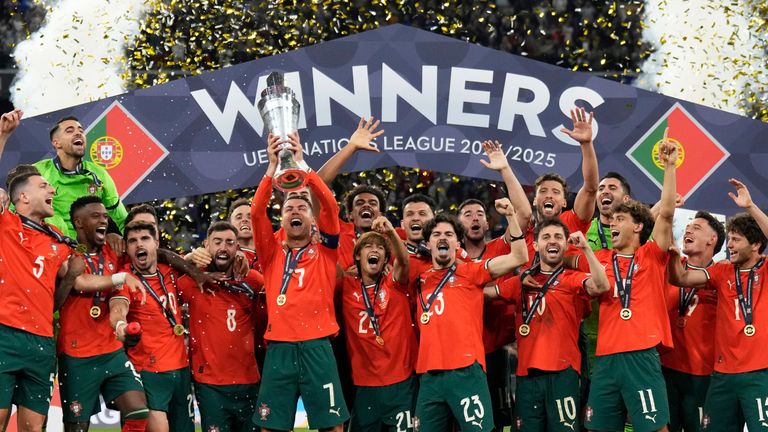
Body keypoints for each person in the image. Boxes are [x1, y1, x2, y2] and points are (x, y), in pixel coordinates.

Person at [0, 167, 143, 431]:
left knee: (32, 428)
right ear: (23, 197)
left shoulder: (56, 237)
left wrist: (119, 279)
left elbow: (80, 281)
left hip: (42, 342)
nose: (52, 189)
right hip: (5, 334)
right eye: (44, 186)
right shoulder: (5, 223)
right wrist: (3, 136)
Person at [579, 129, 678, 432]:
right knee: (599, 428)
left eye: (620, 220)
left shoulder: (652, 255)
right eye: (611, 221)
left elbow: (666, 214)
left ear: (637, 226)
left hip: (641, 355)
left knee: (653, 428)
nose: (613, 225)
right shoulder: (601, 259)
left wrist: (670, 167)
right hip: (605, 358)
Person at [251, 133, 349, 432]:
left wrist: (303, 165)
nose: (295, 209)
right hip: (279, 347)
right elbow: (256, 213)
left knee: (332, 426)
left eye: (302, 206)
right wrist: (270, 170)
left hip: (318, 346)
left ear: (312, 219)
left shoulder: (326, 251)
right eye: (289, 208)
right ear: (281, 220)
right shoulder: (270, 254)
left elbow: (330, 206)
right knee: (271, 427)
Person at [413, 200, 528, 432]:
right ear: (428, 243)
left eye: (448, 234)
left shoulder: (472, 271)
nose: (442, 238)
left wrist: (511, 217)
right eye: (436, 234)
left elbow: (519, 257)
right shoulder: (419, 278)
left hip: (466, 371)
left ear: (457, 242)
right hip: (429, 375)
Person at [667, 179, 768, 430]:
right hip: (722, 375)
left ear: (756, 245)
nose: (730, 246)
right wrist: (670, 256)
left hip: (759, 372)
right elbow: (681, 278)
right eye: (729, 239)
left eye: (736, 240)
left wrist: (751, 207)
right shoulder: (722, 271)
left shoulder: (766, 270)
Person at [492, 221, 609, 431]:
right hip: (526, 376)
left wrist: (585, 248)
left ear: (565, 246)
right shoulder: (520, 282)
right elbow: (483, 295)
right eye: (546, 237)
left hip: (563, 374)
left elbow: (602, 285)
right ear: (535, 245)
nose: (552, 241)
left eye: (558, 237)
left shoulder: (572, 279)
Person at [57, 196, 149, 432]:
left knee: (138, 411)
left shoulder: (113, 250)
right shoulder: (65, 251)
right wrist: (120, 277)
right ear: (78, 222)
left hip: (111, 350)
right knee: (77, 428)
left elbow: (151, 252)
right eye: (95, 216)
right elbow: (79, 281)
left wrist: (188, 259)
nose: (104, 221)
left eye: (106, 216)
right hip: (76, 354)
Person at [109, 220, 198, 432]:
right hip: (149, 371)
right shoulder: (125, 278)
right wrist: (121, 327)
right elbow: (118, 309)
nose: (139, 244)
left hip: (180, 369)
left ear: (156, 242)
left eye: (144, 239)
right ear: (127, 247)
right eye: (132, 241)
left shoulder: (170, 272)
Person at [338, 216, 418, 431]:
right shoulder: (346, 287)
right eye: (368, 246)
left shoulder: (395, 284)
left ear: (385, 259)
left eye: (380, 248)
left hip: (401, 383)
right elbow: (327, 263)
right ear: (357, 255)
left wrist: (391, 232)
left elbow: (403, 262)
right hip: (365, 386)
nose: (375, 250)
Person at [0, 112, 129, 237]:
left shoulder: (99, 175)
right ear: (56, 143)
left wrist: (126, 239)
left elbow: (122, 219)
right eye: (70, 130)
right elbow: (15, 214)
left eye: (81, 130)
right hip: (47, 248)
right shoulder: (38, 172)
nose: (78, 133)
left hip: (86, 251)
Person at [188, 221, 264, 432]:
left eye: (230, 242)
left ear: (237, 247)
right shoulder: (192, 282)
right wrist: (189, 259)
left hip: (249, 381)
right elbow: (161, 266)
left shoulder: (253, 281)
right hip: (210, 385)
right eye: (217, 242)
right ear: (206, 245)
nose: (223, 247)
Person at [660, 211, 723, 432]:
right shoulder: (670, 265)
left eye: (696, 227)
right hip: (663, 368)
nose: (688, 229)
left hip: (701, 374)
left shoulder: (723, 275)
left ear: (712, 239)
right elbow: (663, 229)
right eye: (688, 226)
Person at [586, 172, 632, 251]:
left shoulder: (638, 232)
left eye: (612, 188)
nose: (605, 191)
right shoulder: (585, 229)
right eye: (600, 189)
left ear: (626, 199)